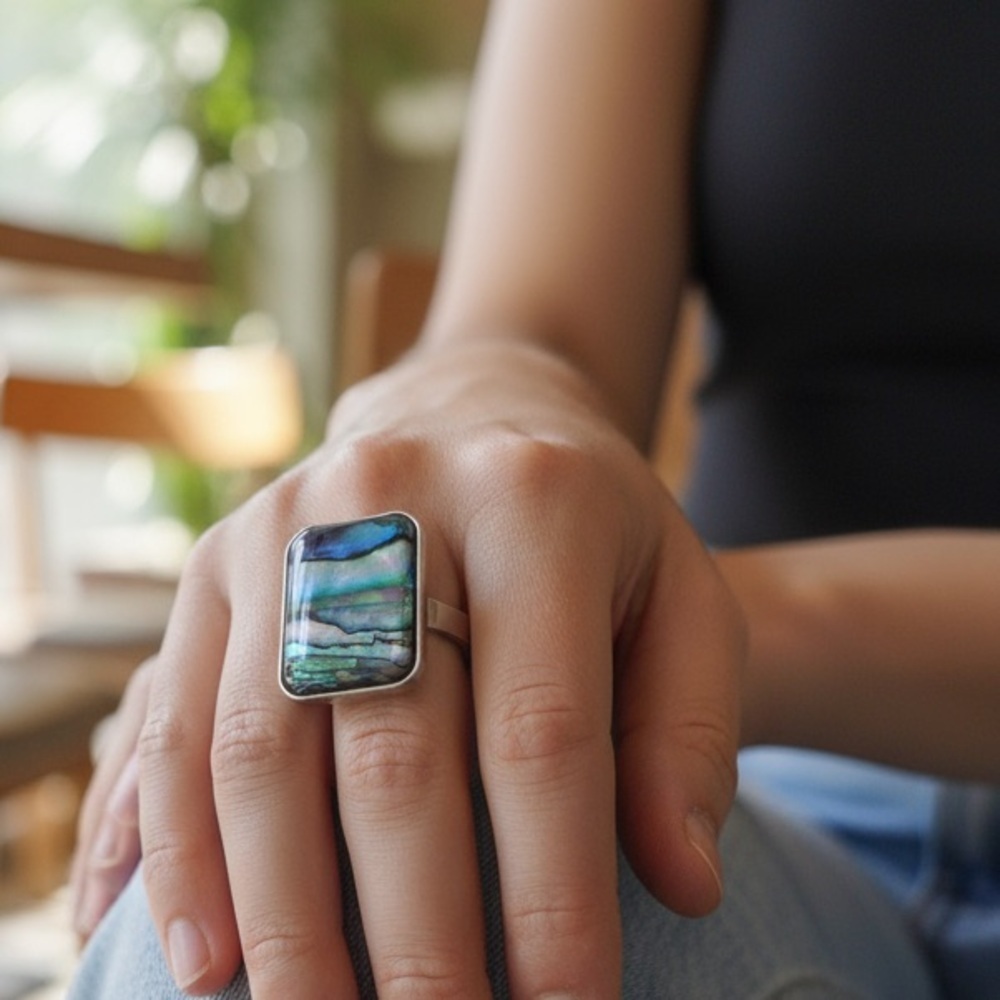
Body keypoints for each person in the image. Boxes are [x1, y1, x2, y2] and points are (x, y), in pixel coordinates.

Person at [66, 2, 1000, 997]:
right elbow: (528, 320)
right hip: (766, 809)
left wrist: (678, 635)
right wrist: (453, 447)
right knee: (323, 864)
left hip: (721, 722)